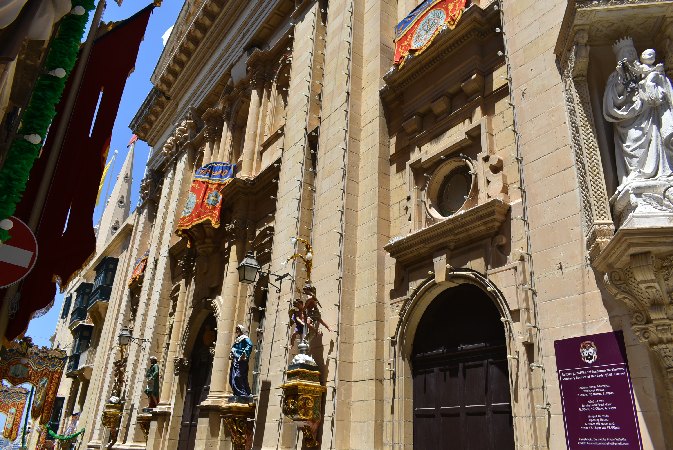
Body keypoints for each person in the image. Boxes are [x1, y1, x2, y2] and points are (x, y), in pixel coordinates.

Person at [603, 38, 673, 188]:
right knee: (633, 143)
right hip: (628, 119)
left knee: (654, 139)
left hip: (648, 115)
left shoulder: (645, 70)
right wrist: (622, 79)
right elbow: (612, 101)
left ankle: (658, 174)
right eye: (627, 52)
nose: (631, 54)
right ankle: (635, 173)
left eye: (633, 51)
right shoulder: (616, 76)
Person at [229, 324, 253, 398]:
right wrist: (231, 354)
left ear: (241, 330)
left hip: (241, 360)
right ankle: (238, 393)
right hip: (235, 360)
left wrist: (244, 354)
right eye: (236, 330)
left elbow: (250, 345)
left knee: (238, 376)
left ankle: (243, 393)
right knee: (232, 377)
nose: (236, 331)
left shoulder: (244, 338)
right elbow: (233, 348)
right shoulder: (237, 339)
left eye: (238, 330)